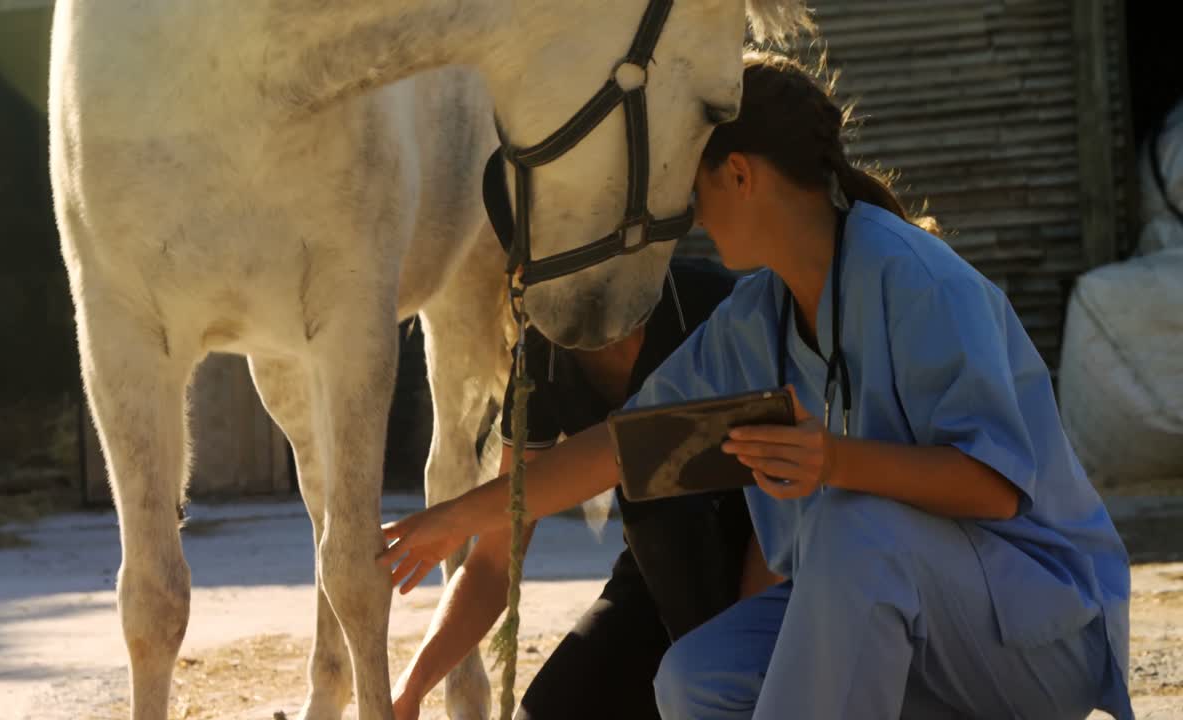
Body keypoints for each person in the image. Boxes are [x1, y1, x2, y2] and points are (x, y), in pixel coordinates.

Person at [380, 52, 1133, 720]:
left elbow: (996, 488)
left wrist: (834, 462)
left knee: (852, 525)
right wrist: (451, 519)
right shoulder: (756, 317)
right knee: (696, 680)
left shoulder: (919, 283)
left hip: (1037, 637)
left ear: (739, 173)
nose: (689, 216)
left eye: (692, 186)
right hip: (918, 628)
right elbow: (624, 448)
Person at [391, 257, 765, 720]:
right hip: (653, 586)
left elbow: (624, 451)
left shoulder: (716, 306)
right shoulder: (544, 355)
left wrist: (739, 647)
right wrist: (409, 691)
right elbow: (493, 558)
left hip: (763, 587)